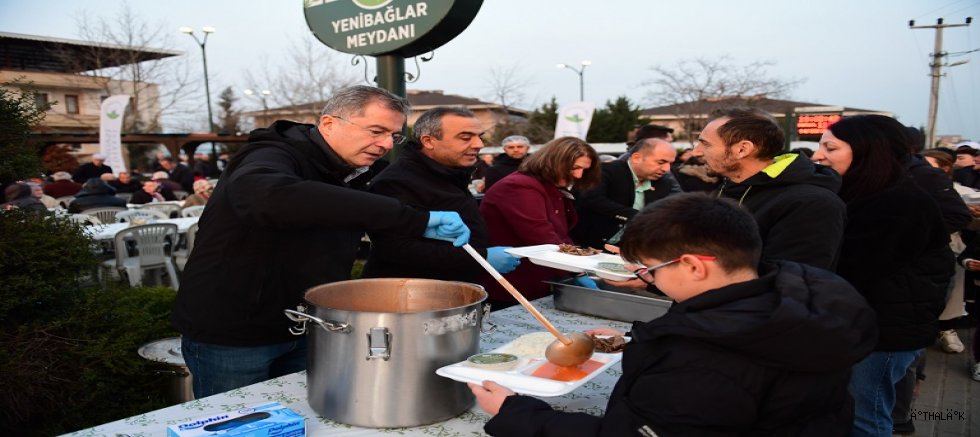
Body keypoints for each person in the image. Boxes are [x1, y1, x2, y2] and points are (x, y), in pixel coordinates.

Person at [469, 193, 877, 436]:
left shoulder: (703, 361)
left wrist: (517, 414)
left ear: (696, 265)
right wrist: (636, 339)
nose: (647, 279)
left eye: (651, 270)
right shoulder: (794, 302)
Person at [171, 85, 471, 398]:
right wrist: (415, 220)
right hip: (233, 332)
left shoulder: (358, 170)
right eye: (376, 130)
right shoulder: (272, 154)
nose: (385, 144)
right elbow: (267, 195)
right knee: (239, 423)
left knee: (306, 417)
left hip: (311, 323)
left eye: (393, 136)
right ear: (329, 124)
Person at [811, 114, 952, 437]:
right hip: (866, 327)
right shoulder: (863, 192)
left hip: (884, 334)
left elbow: (856, 269)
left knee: (866, 418)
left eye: (830, 147)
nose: (818, 156)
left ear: (867, 151)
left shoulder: (901, 202)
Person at [363, 107, 520, 281]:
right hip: (412, 296)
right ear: (429, 141)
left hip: (454, 290)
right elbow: (395, 248)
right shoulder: (397, 181)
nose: (479, 145)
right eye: (466, 138)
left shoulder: (449, 172)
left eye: (479, 137)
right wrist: (480, 258)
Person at [692, 107, 846, 270]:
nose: (696, 151)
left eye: (705, 144)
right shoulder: (729, 187)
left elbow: (789, 280)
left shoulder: (812, 203)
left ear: (742, 149)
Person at [480, 136, 601, 307]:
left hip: (535, 278)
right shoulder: (521, 186)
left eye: (584, 170)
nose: (579, 175)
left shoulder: (547, 186)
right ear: (554, 162)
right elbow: (541, 235)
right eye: (575, 168)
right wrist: (578, 271)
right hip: (511, 282)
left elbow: (559, 234)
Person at [572, 138, 677, 249]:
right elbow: (592, 200)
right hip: (583, 246)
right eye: (661, 162)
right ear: (637, 158)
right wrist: (638, 216)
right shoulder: (606, 171)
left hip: (626, 252)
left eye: (670, 163)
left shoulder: (664, 184)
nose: (667, 169)